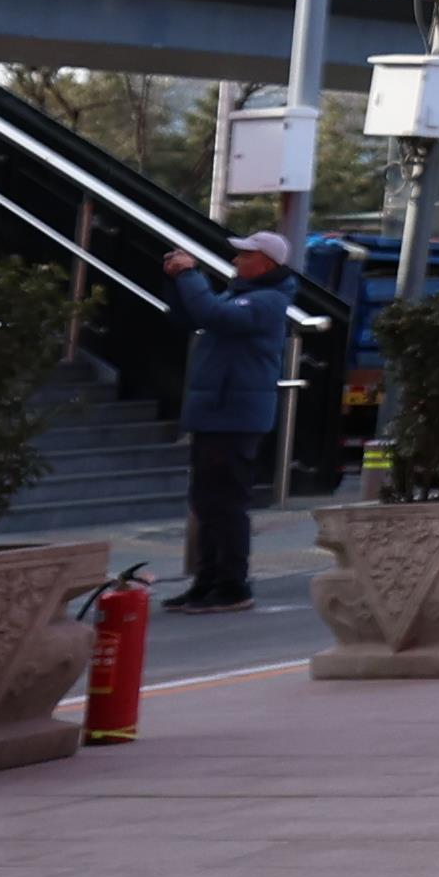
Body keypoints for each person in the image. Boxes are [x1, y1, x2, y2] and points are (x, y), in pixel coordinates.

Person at [163, 233, 299, 611]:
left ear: (266, 263)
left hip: (235, 417)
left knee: (226, 502)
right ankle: (207, 581)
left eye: (246, 254)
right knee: (206, 501)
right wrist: (177, 281)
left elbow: (213, 315)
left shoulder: (268, 301)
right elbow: (192, 316)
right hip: (217, 414)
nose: (237, 260)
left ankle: (233, 585)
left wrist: (191, 276)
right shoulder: (238, 295)